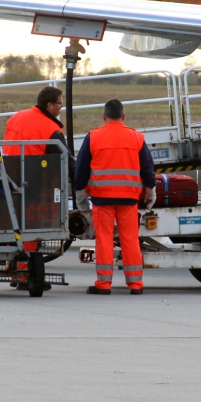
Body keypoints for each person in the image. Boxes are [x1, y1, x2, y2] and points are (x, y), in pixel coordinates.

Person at [73, 99, 156, 295]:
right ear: (123, 116)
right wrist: (150, 189)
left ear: (104, 116)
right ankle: (136, 284)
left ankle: (104, 285)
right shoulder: (136, 137)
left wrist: (79, 192)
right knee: (130, 240)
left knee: (104, 240)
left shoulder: (93, 137)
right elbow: (147, 167)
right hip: (129, 198)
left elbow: (81, 168)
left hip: (102, 198)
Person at [2, 86, 75, 292]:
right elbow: (66, 163)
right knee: (32, 231)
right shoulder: (50, 129)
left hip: (9, 180)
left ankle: (14, 271)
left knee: (14, 228)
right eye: (60, 103)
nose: (61, 107)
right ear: (49, 105)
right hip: (34, 184)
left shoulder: (16, 117)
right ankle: (27, 275)